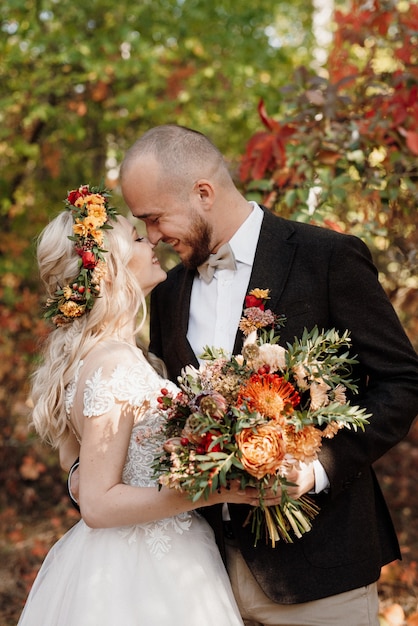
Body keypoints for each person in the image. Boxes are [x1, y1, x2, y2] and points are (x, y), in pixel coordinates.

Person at [120, 124, 418, 626]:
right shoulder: (168, 292)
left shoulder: (328, 257)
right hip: (202, 579)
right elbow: (163, 413)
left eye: (154, 219)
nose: (152, 237)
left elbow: (402, 381)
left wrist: (318, 467)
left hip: (323, 573)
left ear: (203, 193)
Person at [17, 184, 271, 626]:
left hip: (155, 556)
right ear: (111, 269)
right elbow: (96, 504)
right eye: (136, 238)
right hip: (143, 574)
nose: (150, 241)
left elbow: (76, 469)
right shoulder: (112, 363)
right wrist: (215, 490)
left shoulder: (106, 354)